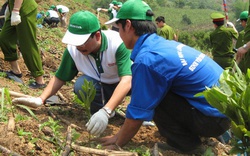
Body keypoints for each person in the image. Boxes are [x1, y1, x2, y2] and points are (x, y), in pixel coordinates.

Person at [101, 0, 231, 155]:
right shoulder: (162, 45)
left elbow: (138, 112)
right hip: (224, 112)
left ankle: (188, 146)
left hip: (213, 120)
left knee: (154, 96)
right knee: (160, 89)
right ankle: (202, 133)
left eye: (118, 28)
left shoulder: (148, 59)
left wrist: (118, 142)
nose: (119, 34)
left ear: (128, 25)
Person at [12, 11, 132, 136]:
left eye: (82, 42)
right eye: (75, 42)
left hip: (127, 85)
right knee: (82, 85)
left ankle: (138, 114)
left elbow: (127, 80)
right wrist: (40, 99)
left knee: (143, 80)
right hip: (102, 87)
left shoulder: (117, 43)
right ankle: (99, 112)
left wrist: (106, 111)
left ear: (97, 35)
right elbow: (60, 77)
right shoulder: (73, 50)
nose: (78, 47)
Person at [0, 0, 45, 89]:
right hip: (14, 8)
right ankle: (15, 71)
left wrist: (16, 10)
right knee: (5, 37)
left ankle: (40, 81)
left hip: (23, 11)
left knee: (27, 44)